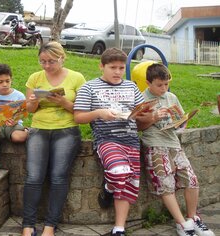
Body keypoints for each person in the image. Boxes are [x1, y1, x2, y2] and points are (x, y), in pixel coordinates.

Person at [73, 47, 145, 236]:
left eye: (121, 68)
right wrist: (99, 113)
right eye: (113, 67)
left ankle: (119, 227)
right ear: (101, 66)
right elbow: (78, 117)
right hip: (106, 139)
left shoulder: (131, 86)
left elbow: (142, 113)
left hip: (131, 140)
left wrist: (151, 115)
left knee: (129, 182)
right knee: (118, 171)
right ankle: (108, 187)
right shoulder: (89, 87)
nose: (118, 72)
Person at [138, 63, 215, 236]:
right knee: (166, 185)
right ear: (148, 83)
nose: (164, 88)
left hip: (174, 143)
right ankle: (181, 224)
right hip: (155, 144)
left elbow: (181, 120)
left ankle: (193, 218)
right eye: (159, 85)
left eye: (166, 84)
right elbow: (139, 126)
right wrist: (153, 117)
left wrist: (181, 122)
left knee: (192, 180)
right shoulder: (143, 99)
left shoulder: (171, 97)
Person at [22, 41, 86, 236]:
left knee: (58, 177)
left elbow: (83, 112)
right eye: (43, 61)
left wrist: (63, 102)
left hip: (66, 130)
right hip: (39, 128)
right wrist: (32, 102)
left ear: (62, 58)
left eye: (51, 61)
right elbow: (29, 110)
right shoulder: (35, 77)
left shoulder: (76, 78)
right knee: (34, 177)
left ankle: (50, 225)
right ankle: (28, 225)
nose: (47, 66)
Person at [0, 63, 28, 176]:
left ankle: (27, 131)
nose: (5, 84)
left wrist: (15, 121)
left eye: (7, 81)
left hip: (12, 124)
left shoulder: (19, 95)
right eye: (0, 82)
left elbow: (21, 114)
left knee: (18, 137)